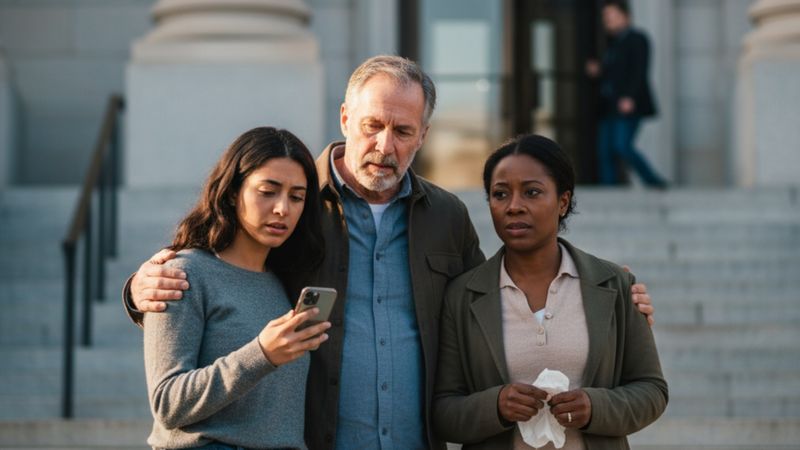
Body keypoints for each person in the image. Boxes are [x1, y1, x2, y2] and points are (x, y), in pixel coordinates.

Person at [124, 56, 656, 450]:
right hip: (317, 439)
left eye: (403, 131)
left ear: (423, 135)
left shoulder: (446, 216)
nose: (385, 145)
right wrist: (139, 288)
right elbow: (219, 258)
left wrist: (605, 285)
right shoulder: (294, 197)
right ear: (344, 119)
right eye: (372, 125)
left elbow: (488, 301)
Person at [433, 134, 667, 449]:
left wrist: (595, 407)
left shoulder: (613, 284)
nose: (514, 206)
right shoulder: (462, 295)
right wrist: (496, 406)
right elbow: (443, 411)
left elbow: (652, 390)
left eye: (532, 192)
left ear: (563, 202)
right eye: (500, 194)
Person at [142, 127, 331, 449]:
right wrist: (262, 354)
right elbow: (167, 404)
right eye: (267, 191)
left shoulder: (288, 281)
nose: (282, 209)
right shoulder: (184, 274)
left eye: (296, 197)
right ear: (232, 192)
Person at [586, 0, 668, 188]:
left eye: (612, 16)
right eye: (605, 17)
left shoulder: (638, 39)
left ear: (626, 16)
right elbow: (613, 74)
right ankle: (609, 190)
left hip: (628, 105)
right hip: (608, 106)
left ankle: (653, 181)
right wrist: (598, 72)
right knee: (605, 151)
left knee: (622, 146)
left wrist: (629, 97)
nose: (608, 21)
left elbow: (640, 71)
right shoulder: (610, 44)